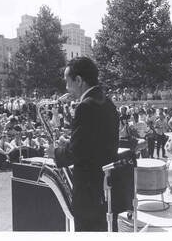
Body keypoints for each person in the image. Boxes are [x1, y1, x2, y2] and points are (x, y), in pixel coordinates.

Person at [53, 57, 119, 232]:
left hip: (88, 192)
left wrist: (56, 152)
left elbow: (76, 153)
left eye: (68, 82)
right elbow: (96, 144)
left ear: (79, 80)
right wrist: (71, 142)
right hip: (105, 187)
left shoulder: (85, 106)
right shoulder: (108, 103)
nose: (66, 88)